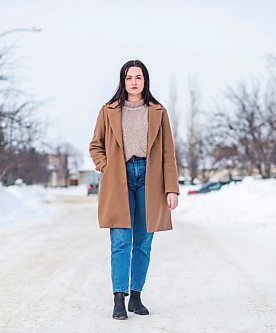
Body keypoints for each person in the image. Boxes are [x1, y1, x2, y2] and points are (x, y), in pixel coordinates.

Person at [89, 59, 180, 320]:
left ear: (145, 80)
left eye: (138, 77)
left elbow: (168, 154)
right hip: (119, 178)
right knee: (120, 241)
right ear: (123, 81)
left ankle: (136, 297)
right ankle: (119, 298)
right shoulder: (108, 110)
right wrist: (107, 167)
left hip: (150, 179)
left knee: (143, 241)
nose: (134, 82)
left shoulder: (158, 111)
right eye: (129, 77)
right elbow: (95, 146)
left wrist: (171, 188)